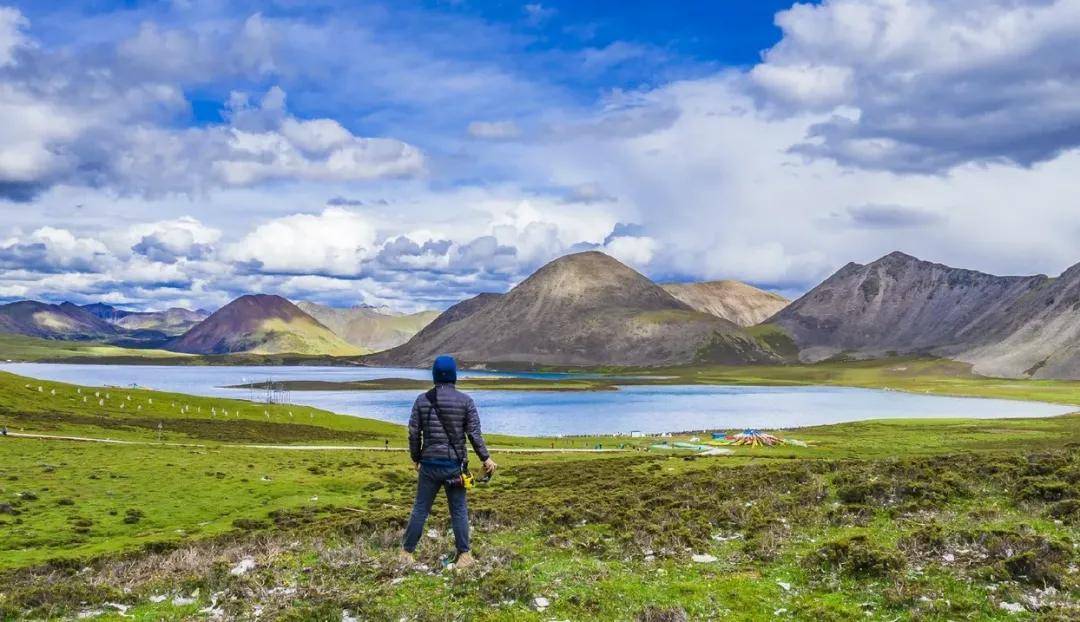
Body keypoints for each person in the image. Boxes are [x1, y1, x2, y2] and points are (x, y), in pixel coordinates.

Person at [401, 355, 496, 569]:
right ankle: (464, 556)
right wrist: (485, 458)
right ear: (454, 375)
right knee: (459, 510)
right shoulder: (466, 401)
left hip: (429, 464)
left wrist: (416, 458)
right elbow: (474, 434)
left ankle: (406, 552)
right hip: (455, 466)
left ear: (434, 375)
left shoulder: (421, 400)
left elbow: (414, 433)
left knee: (420, 509)